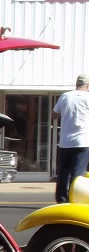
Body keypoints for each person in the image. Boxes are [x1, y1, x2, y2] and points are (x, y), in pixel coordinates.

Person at [53, 72, 89, 203]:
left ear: (77, 84)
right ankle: (74, 200)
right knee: (77, 175)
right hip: (83, 142)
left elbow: (54, 115)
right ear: (88, 85)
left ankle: (61, 200)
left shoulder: (65, 96)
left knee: (63, 174)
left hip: (65, 142)